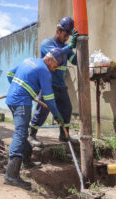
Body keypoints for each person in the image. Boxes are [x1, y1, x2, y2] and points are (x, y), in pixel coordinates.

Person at [4, 48, 66, 190]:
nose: (53, 70)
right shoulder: (44, 71)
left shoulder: (29, 60)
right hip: (21, 103)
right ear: (49, 59)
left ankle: (27, 162)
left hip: (12, 100)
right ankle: (11, 175)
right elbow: (49, 98)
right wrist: (57, 115)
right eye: (54, 66)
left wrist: (17, 88)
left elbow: (9, 74)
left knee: (23, 132)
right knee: (20, 134)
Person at [28, 17, 79, 147]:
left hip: (61, 86)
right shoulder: (47, 44)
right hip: (48, 84)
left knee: (66, 109)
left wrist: (80, 47)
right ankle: (31, 135)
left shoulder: (66, 47)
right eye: (65, 34)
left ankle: (64, 135)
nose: (67, 37)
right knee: (43, 110)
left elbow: (75, 61)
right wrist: (70, 47)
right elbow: (55, 54)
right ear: (58, 31)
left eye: (69, 35)